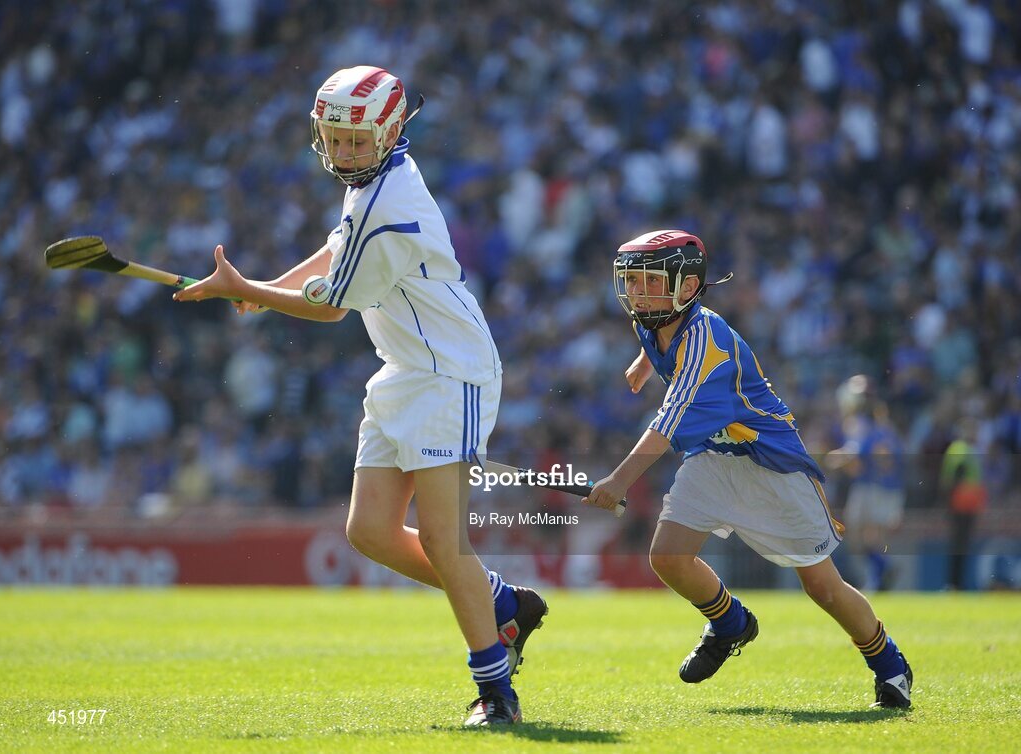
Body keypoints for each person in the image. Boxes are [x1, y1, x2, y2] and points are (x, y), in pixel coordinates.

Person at [174, 65, 545, 726]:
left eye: (356, 140)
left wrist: (253, 292)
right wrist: (260, 289)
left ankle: (496, 692)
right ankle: (503, 603)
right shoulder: (371, 182)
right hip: (405, 369)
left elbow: (331, 308)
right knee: (369, 531)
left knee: (440, 539)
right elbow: (334, 252)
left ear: (392, 132)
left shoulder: (385, 201)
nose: (343, 152)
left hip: (450, 371)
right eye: (334, 138)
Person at [583, 229, 913, 709]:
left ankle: (891, 666)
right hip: (714, 458)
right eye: (631, 282)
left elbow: (666, 423)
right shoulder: (652, 321)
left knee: (822, 586)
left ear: (688, 288)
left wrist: (617, 482)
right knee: (668, 557)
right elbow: (655, 347)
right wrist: (643, 365)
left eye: (649, 281)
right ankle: (731, 623)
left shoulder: (706, 341)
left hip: (769, 462)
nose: (635, 293)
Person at [827, 375, 907, 591]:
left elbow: (854, 455)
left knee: (859, 537)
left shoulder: (859, 422)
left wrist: (829, 460)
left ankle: (882, 570)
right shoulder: (882, 421)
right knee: (873, 537)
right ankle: (879, 576)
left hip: (872, 486)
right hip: (889, 486)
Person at [940, 416, 987, 590]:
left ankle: (956, 583)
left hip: (968, 504)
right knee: (958, 545)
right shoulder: (961, 448)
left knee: (962, 545)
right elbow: (954, 476)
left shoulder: (970, 449)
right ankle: (954, 583)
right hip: (960, 503)